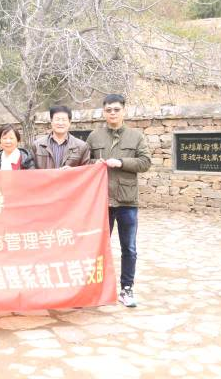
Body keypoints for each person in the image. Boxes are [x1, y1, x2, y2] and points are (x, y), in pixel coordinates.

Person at [86, 94, 151, 308]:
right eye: (108, 110)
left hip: (126, 201)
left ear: (124, 111)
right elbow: (85, 162)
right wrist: (96, 163)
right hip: (101, 201)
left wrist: (121, 162)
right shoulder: (94, 136)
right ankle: (94, 289)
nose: (112, 113)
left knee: (129, 248)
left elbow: (145, 162)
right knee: (96, 247)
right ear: (103, 112)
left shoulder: (135, 136)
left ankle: (126, 289)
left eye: (116, 109)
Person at [33, 105, 90, 169]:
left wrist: (73, 171)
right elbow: (31, 172)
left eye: (64, 120)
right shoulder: (37, 145)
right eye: (57, 119)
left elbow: (86, 171)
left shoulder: (82, 146)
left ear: (69, 122)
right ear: (51, 121)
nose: (60, 123)